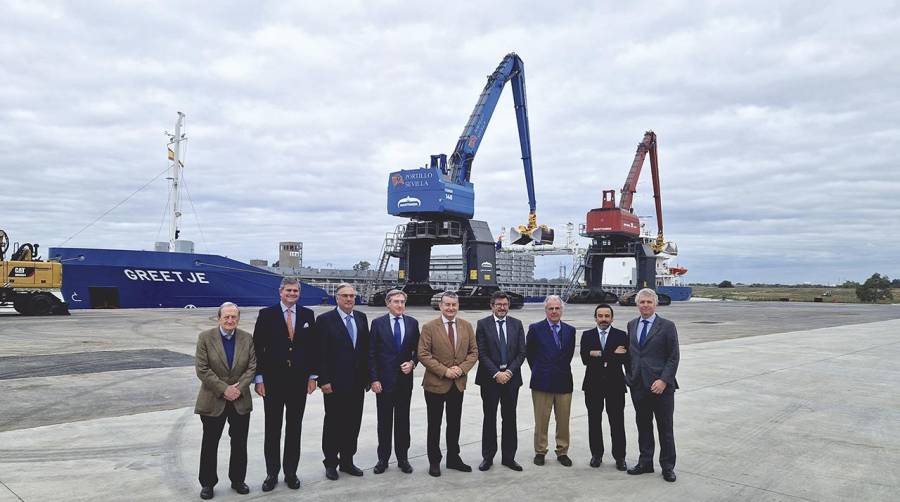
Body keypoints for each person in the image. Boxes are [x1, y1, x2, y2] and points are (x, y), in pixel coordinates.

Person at [252, 278, 318, 492]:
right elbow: (257, 348)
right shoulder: (266, 314)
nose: (292, 293)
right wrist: (259, 378)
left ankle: (291, 472)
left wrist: (312, 376)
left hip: (298, 381)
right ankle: (272, 473)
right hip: (273, 381)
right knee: (272, 428)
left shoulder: (308, 315)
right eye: (288, 290)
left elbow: (312, 348)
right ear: (280, 292)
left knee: (294, 428)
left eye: (295, 290)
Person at [194, 302, 256, 500]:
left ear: (238, 318)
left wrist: (238, 388)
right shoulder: (205, 337)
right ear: (218, 318)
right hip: (213, 399)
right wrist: (224, 389)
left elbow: (252, 367)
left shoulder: (247, 338)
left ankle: (238, 480)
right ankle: (208, 483)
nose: (230, 321)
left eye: (234, 317)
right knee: (210, 443)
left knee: (239, 443)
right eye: (226, 317)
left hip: (240, 399)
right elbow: (202, 369)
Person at [418, 291, 478, 477]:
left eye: (454, 305)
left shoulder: (467, 326)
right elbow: (423, 354)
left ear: (458, 306)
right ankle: (434, 461)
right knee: (434, 425)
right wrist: (445, 371)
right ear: (441, 306)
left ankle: (453, 458)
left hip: (457, 384)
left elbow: (474, 352)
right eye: (447, 305)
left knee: (454, 423)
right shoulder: (429, 327)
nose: (451, 308)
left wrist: (461, 369)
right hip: (435, 384)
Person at [316, 283, 370, 480]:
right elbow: (320, 352)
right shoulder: (324, 320)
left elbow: (365, 350)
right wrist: (324, 380)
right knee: (333, 423)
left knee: (353, 423)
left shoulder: (361, 318)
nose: (349, 299)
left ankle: (347, 460)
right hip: (334, 383)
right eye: (345, 296)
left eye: (352, 296)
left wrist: (369, 377)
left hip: (357, 383)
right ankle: (331, 462)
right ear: (336, 298)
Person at [626, 288, 680, 483]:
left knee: (665, 428)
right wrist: (630, 378)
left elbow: (673, 357)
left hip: (661, 387)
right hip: (639, 386)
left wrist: (664, 380)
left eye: (649, 302)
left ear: (655, 304)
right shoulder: (631, 325)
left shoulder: (667, 326)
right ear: (637, 304)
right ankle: (645, 462)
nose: (645, 305)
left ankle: (667, 467)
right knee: (643, 426)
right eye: (642, 302)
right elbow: (631, 355)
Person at [369, 289, 420, 474]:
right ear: (388, 303)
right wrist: (373, 379)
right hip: (383, 382)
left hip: (404, 381)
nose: (400, 305)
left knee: (402, 421)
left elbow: (418, 350)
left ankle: (403, 458)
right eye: (396, 302)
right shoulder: (377, 324)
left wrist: (413, 363)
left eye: (402, 302)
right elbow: (371, 354)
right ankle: (383, 459)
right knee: (384, 422)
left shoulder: (412, 323)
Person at [475, 291, 526, 472]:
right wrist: (497, 373)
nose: (502, 307)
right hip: (490, 379)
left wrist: (510, 372)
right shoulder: (482, 325)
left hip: (511, 380)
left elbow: (521, 353)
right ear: (492, 306)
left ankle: (509, 457)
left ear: (508, 306)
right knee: (489, 418)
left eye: (505, 304)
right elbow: (481, 353)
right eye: (498, 304)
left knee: (510, 418)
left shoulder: (517, 324)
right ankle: (488, 457)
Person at [525, 295, 576, 467]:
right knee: (541, 419)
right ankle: (540, 451)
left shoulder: (570, 330)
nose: (554, 311)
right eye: (551, 308)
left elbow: (568, 355)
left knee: (563, 419)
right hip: (542, 380)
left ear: (562, 310)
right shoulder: (535, 329)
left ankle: (562, 451)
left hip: (563, 380)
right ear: (546, 310)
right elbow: (530, 354)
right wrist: (540, 369)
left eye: (557, 308)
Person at [580, 303, 630, 471]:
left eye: (606, 316)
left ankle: (620, 457)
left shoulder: (622, 335)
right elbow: (585, 359)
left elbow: (624, 359)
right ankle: (596, 454)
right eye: (600, 316)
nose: (603, 319)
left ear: (612, 318)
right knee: (594, 422)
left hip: (615, 385)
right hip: (592, 386)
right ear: (595, 318)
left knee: (617, 422)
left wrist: (597, 354)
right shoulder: (587, 335)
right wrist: (611, 354)